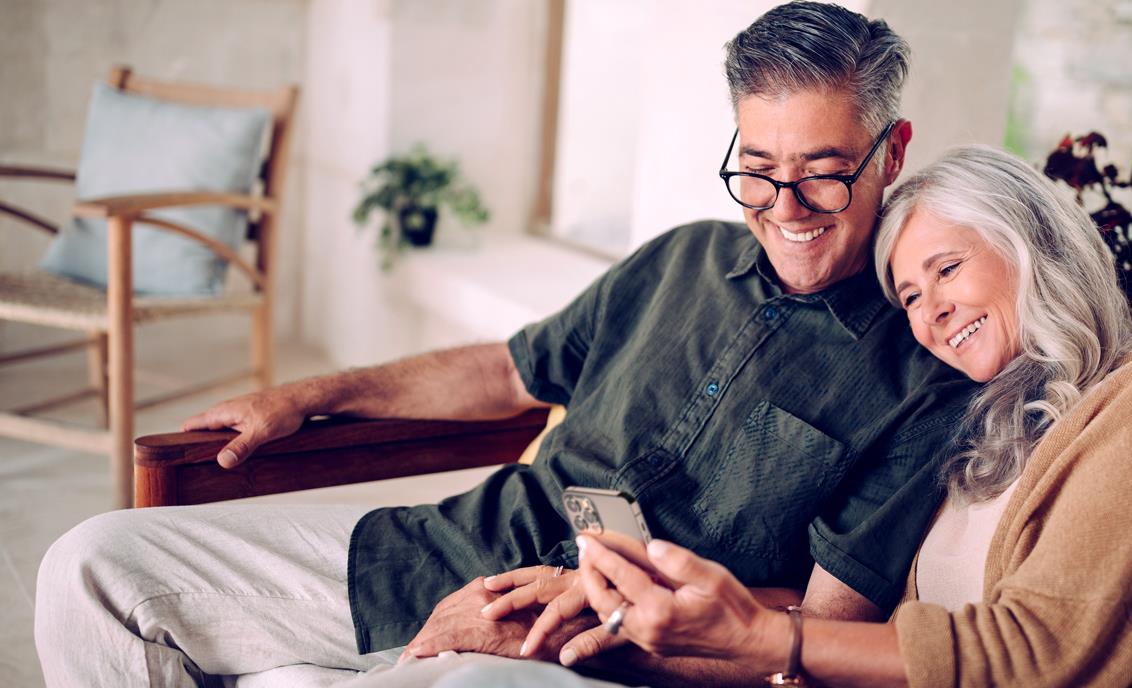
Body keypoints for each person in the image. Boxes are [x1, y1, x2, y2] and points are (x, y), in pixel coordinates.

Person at [34, 3, 979, 686]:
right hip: (441, 549)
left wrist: (608, 612)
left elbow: (815, 630)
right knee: (92, 565)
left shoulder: (918, 377)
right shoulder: (681, 260)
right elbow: (506, 370)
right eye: (757, 171)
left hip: (598, 651)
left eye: (822, 175)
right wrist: (308, 395)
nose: (784, 209)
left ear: (889, 154)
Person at [564, 145, 1132, 687]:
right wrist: (621, 627)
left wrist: (761, 636)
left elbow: (1043, 654)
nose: (932, 315)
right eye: (912, 297)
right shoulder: (984, 430)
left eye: (947, 270)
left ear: (1032, 243)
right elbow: (885, 635)